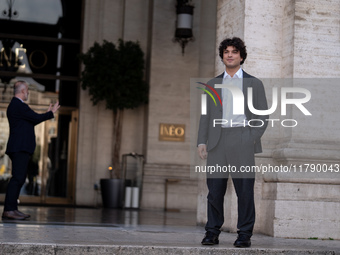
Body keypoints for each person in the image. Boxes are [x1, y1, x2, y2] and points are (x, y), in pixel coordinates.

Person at [197, 37, 268, 247]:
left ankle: (244, 234)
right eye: (226, 51)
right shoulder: (212, 84)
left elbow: (263, 116)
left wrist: (250, 138)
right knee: (215, 191)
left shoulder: (254, 83)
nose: (230, 54)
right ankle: (212, 232)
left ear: (241, 56)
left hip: (242, 139)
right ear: (222, 56)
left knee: (244, 190)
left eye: (234, 51)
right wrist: (202, 141)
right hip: (217, 142)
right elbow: (205, 116)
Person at [2, 80, 60, 220]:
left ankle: (12, 209)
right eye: (27, 90)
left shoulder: (17, 107)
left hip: (20, 147)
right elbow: (35, 117)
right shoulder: (18, 105)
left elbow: (33, 119)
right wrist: (50, 113)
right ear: (22, 91)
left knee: (19, 178)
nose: (28, 92)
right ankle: (9, 210)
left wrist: (46, 114)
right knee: (17, 179)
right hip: (19, 148)